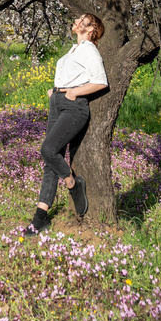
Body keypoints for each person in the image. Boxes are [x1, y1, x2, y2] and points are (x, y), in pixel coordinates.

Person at [23, 13, 108, 236]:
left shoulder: (89, 49)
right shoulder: (74, 49)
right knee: (50, 161)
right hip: (58, 102)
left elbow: (100, 81)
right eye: (78, 18)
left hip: (74, 106)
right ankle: (40, 218)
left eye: (82, 20)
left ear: (90, 30)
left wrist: (74, 92)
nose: (77, 21)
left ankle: (72, 184)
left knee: (48, 149)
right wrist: (56, 90)